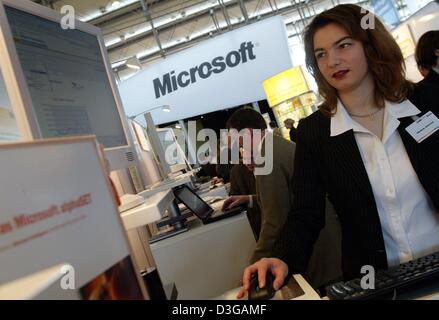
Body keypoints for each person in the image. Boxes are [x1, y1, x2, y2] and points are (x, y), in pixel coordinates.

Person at [237, 4, 439, 298]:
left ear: (371, 45)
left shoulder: (428, 101)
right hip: (378, 286)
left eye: (344, 45)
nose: (333, 61)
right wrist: (280, 256)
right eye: (321, 54)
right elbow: (306, 212)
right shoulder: (315, 134)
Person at [222, 108, 296, 263]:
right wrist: (249, 198)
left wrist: (254, 263)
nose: (239, 146)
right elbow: (284, 195)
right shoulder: (276, 144)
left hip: (313, 255)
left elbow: (274, 222)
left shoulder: (266, 158)